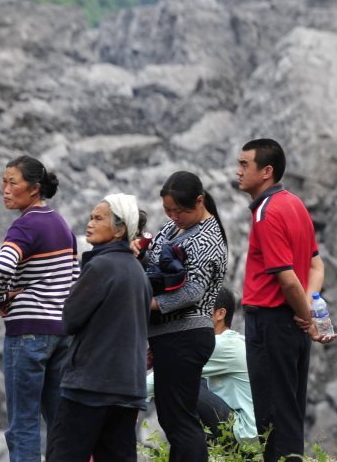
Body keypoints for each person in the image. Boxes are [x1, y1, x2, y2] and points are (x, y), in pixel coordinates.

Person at [236, 138, 336, 462]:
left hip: (271, 323)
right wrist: (310, 310)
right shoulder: (295, 203)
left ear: (266, 171)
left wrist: (307, 316)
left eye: (244, 165)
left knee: (271, 417)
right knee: (290, 410)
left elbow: (287, 278)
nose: (237, 171)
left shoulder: (267, 212)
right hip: (291, 324)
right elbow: (315, 265)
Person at [46, 194, 153, 462]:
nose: (89, 223)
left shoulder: (100, 267)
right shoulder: (138, 273)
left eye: (98, 218)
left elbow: (69, 319)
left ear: (120, 229)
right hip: (127, 388)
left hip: (90, 386)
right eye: (91, 217)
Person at [0, 155, 80, 462]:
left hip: (28, 331)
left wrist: (0, 298)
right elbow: (75, 276)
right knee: (59, 419)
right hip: (60, 331)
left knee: (23, 422)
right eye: (4, 181)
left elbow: (2, 266)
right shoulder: (60, 223)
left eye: (12, 182)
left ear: (34, 188)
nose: (4, 188)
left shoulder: (25, 225)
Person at [145, 170, 228, 462]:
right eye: (168, 210)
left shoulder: (209, 238)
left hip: (186, 336)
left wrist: (147, 303)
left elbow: (191, 292)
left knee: (180, 420)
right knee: (172, 418)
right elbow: (153, 256)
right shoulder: (172, 229)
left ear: (199, 201)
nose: (174, 216)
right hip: (168, 337)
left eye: (179, 210)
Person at [147, 287, 256, 444]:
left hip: (243, 431)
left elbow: (168, 373)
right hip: (249, 432)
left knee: (179, 380)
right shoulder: (228, 343)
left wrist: (133, 398)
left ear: (220, 314)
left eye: (201, 308)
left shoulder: (221, 345)